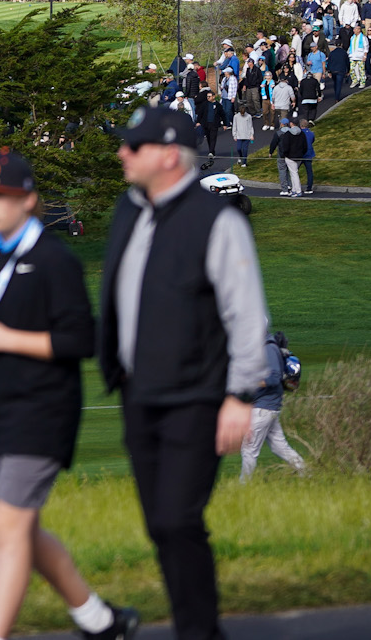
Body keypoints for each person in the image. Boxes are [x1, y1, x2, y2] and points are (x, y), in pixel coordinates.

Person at [0, 149, 139, 640]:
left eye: (1, 196)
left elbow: (83, 340)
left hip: (45, 413)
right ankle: (99, 620)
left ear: (29, 200)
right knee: (22, 530)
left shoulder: (55, 260)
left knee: (8, 528)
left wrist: (8, 340)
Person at [105, 106, 273, 640]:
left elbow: (246, 312)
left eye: (134, 146)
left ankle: (199, 632)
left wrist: (240, 395)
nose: (122, 154)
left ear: (169, 155)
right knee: (161, 523)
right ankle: (197, 629)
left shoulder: (215, 220)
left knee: (178, 519)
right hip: (139, 393)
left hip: (196, 396)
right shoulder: (129, 209)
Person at [240, 333, 308, 481]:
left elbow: (273, 377)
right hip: (268, 408)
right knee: (279, 448)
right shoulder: (264, 346)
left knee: (249, 449)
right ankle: (307, 473)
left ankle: (243, 487)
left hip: (263, 408)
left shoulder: (268, 348)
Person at [267, 116, 307, 197]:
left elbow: (281, 145)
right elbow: (305, 146)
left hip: (287, 156)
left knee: (288, 172)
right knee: (292, 172)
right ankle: (292, 189)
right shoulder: (301, 133)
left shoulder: (284, 134)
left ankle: (291, 190)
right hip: (299, 156)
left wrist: (272, 152)